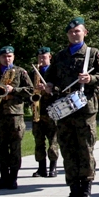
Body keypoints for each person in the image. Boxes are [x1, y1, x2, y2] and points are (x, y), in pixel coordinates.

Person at [43, 17, 99, 197]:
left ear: (85, 32)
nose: (74, 34)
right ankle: (73, 190)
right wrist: (49, 86)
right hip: (64, 110)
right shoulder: (60, 56)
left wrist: (90, 78)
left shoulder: (93, 54)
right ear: (67, 34)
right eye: (71, 32)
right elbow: (52, 78)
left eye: (78, 31)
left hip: (84, 110)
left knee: (85, 150)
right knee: (68, 150)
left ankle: (86, 191)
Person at [0, 46, 33, 190]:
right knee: (0, 147)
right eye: (4, 56)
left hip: (14, 115)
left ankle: (13, 178)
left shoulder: (20, 72)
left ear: (13, 57)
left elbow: (30, 91)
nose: (7, 58)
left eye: (9, 56)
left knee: (15, 147)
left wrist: (14, 90)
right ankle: (3, 177)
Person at [32, 47, 59, 177]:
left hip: (52, 110)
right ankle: (41, 167)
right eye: (40, 57)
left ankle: (53, 167)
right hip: (38, 110)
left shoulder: (55, 72)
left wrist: (48, 89)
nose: (42, 60)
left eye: (44, 57)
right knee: (38, 141)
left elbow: (60, 90)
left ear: (50, 57)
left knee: (53, 140)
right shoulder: (35, 72)